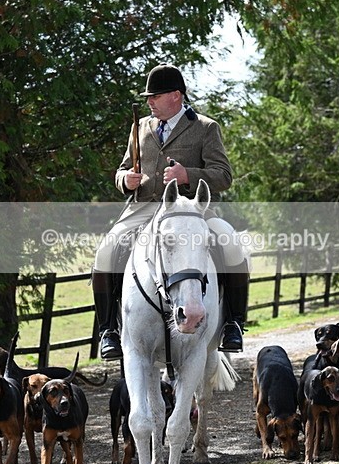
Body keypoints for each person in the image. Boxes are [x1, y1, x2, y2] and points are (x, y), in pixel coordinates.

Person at [92, 63, 249, 360]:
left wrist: (186, 175)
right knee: (105, 251)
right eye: (148, 97)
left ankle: (233, 324)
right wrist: (125, 180)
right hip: (143, 208)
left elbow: (223, 175)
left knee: (229, 241)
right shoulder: (140, 127)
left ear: (176, 96)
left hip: (191, 209)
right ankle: (109, 330)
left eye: (156, 96)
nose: (149, 102)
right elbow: (123, 168)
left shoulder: (206, 128)